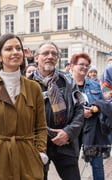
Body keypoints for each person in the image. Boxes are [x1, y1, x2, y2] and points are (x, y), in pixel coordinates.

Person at [0, 33, 48, 180]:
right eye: (9, 49)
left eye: (18, 48)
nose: (15, 52)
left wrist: (40, 153)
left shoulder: (34, 87)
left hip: (28, 160)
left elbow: (41, 126)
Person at [30, 42, 84, 180]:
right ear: (36, 58)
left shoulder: (68, 81)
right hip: (38, 144)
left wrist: (68, 132)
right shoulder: (27, 84)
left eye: (54, 54)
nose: (50, 56)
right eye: (46, 53)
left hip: (65, 143)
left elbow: (79, 110)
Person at [70, 52, 111, 180]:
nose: (84, 67)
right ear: (72, 66)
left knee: (97, 164)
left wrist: (96, 108)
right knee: (71, 165)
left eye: (87, 65)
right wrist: (81, 113)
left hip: (93, 132)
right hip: (73, 131)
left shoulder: (95, 84)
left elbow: (106, 102)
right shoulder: (65, 84)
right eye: (81, 64)